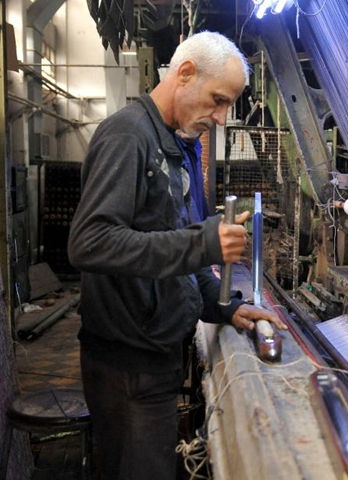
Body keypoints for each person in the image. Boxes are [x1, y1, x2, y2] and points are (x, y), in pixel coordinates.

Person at [67, 31, 286, 480]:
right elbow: (90, 242)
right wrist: (201, 244)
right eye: (218, 100)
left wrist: (222, 306)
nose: (222, 118)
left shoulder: (179, 148)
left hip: (158, 358)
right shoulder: (128, 136)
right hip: (128, 368)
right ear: (184, 73)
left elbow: (178, 256)